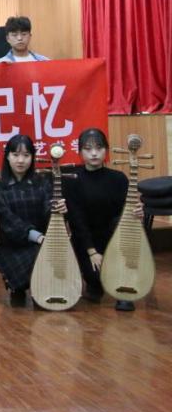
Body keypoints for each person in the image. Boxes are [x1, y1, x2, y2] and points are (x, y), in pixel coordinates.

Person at [63, 128, 136, 311]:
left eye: (99, 148)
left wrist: (136, 212)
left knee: (124, 224)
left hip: (113, 240)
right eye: (88, 149)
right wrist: (92, 252)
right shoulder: (72, 179)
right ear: (80, 152)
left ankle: (123, 284)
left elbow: (124, 216)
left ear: (106, 150)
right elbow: (76, 220)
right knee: (95, 278)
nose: (94, 153)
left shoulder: (119, 179)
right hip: (86, 241)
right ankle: (94, 284)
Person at [0, 134, 65, 305]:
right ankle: (18, 287)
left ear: (33, 157)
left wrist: (58, 211)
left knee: (46, 253)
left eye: (26, 155)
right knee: (29, 262)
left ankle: (44, 288)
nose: (20, 160)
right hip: (12, 244)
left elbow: (47, 212)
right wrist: (36, 236)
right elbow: (8, 221)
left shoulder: (43, 182)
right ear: (7, 156)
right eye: (15, 154)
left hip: (42, 242)